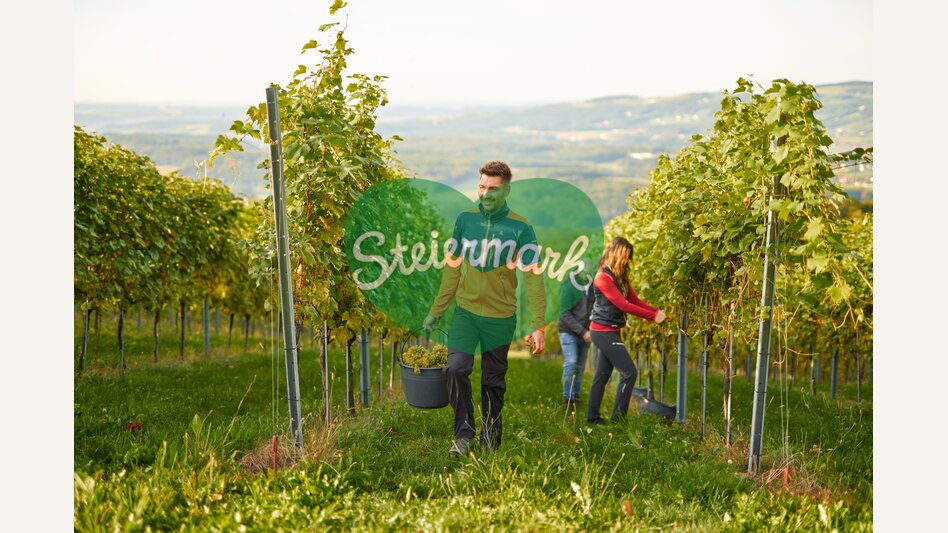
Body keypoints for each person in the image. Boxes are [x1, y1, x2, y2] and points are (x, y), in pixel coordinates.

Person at [422, 161, 547, 458]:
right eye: (481, 187)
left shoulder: (521, 227)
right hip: (466, 312)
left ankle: (491, 440)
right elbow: (451, 270)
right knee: (455, 368)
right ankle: (464, 434)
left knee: (493, 381)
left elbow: (533, 276)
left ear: (506, 190)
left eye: (492, 189)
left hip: (501, 317)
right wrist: (437, 311)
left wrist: (538, 325)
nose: (485, 193)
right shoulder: (465, 220)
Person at [586, 236, 666, 425]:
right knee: (629, 372)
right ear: (617, 254)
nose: (628, 261)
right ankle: (618, 419)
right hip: (602, 331)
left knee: (602, 375)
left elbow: (635, 300)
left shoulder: (620, 277)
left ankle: (593, 418)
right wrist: (652, 316)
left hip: (612, 330)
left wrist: (655, 311)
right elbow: (623, 304)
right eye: (626, 256)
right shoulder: (602, 278)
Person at [557, 270, 592, 411]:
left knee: (580, 366)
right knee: (571, 363)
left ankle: (575, 396)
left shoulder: (593, 283)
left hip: (585, 331)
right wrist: (583, 331)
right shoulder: (568, 285)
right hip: (568, 331)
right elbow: (564, 313)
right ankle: (568, 398)